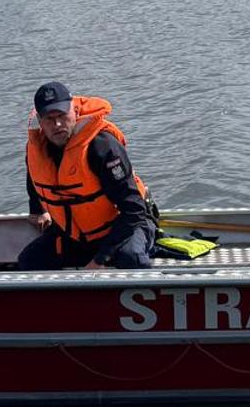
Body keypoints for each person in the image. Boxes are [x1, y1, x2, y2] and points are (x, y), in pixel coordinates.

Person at [17, 81, 157, 270]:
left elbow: (134, 210)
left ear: (74, 111)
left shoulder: (102, 146)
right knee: (29, 260)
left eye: (62, 115)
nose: (57, 124)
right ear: (40, 122)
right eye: (49, 119)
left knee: (131, 259)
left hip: (126, 226)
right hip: (77, 234)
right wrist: (38, 210)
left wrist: (100, 260)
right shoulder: (37, 148)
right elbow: (33, 176)